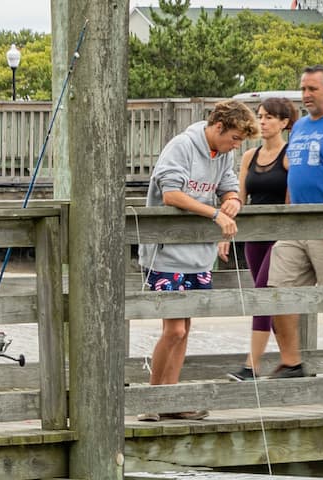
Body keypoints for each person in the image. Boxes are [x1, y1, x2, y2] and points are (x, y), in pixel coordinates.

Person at [136, 100, 252, 422]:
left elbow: (229, 186)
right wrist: (215, 214)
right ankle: (151, 398)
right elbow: (171, 194)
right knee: (172, 329)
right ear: (219, 127)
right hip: (166, 253)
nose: (237, 145)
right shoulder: (182, 146)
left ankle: (172, 397)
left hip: (199, 256)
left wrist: (232, 202)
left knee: (185, 329)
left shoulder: (223, 154)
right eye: (235, 138)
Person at [266, 65, 323, 380]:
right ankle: (292, 363)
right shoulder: (301, 126)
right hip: (296, 223)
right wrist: (288, 212)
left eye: (312, 89)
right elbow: (295, 172)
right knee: (278, 290)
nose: (305, 95)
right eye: (303, 89)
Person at [228, 97, 295, 381]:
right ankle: (291, 363)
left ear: (284, 123)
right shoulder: (248, 157)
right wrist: (226, 231)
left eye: (269, 117)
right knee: (268, 300)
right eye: (260, 116)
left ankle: (250, 366)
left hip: (278, 238)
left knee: (262, 297)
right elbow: (240, 198)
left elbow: (292, 200)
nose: (263, 122)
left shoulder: (290, 155)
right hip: (253, 238)